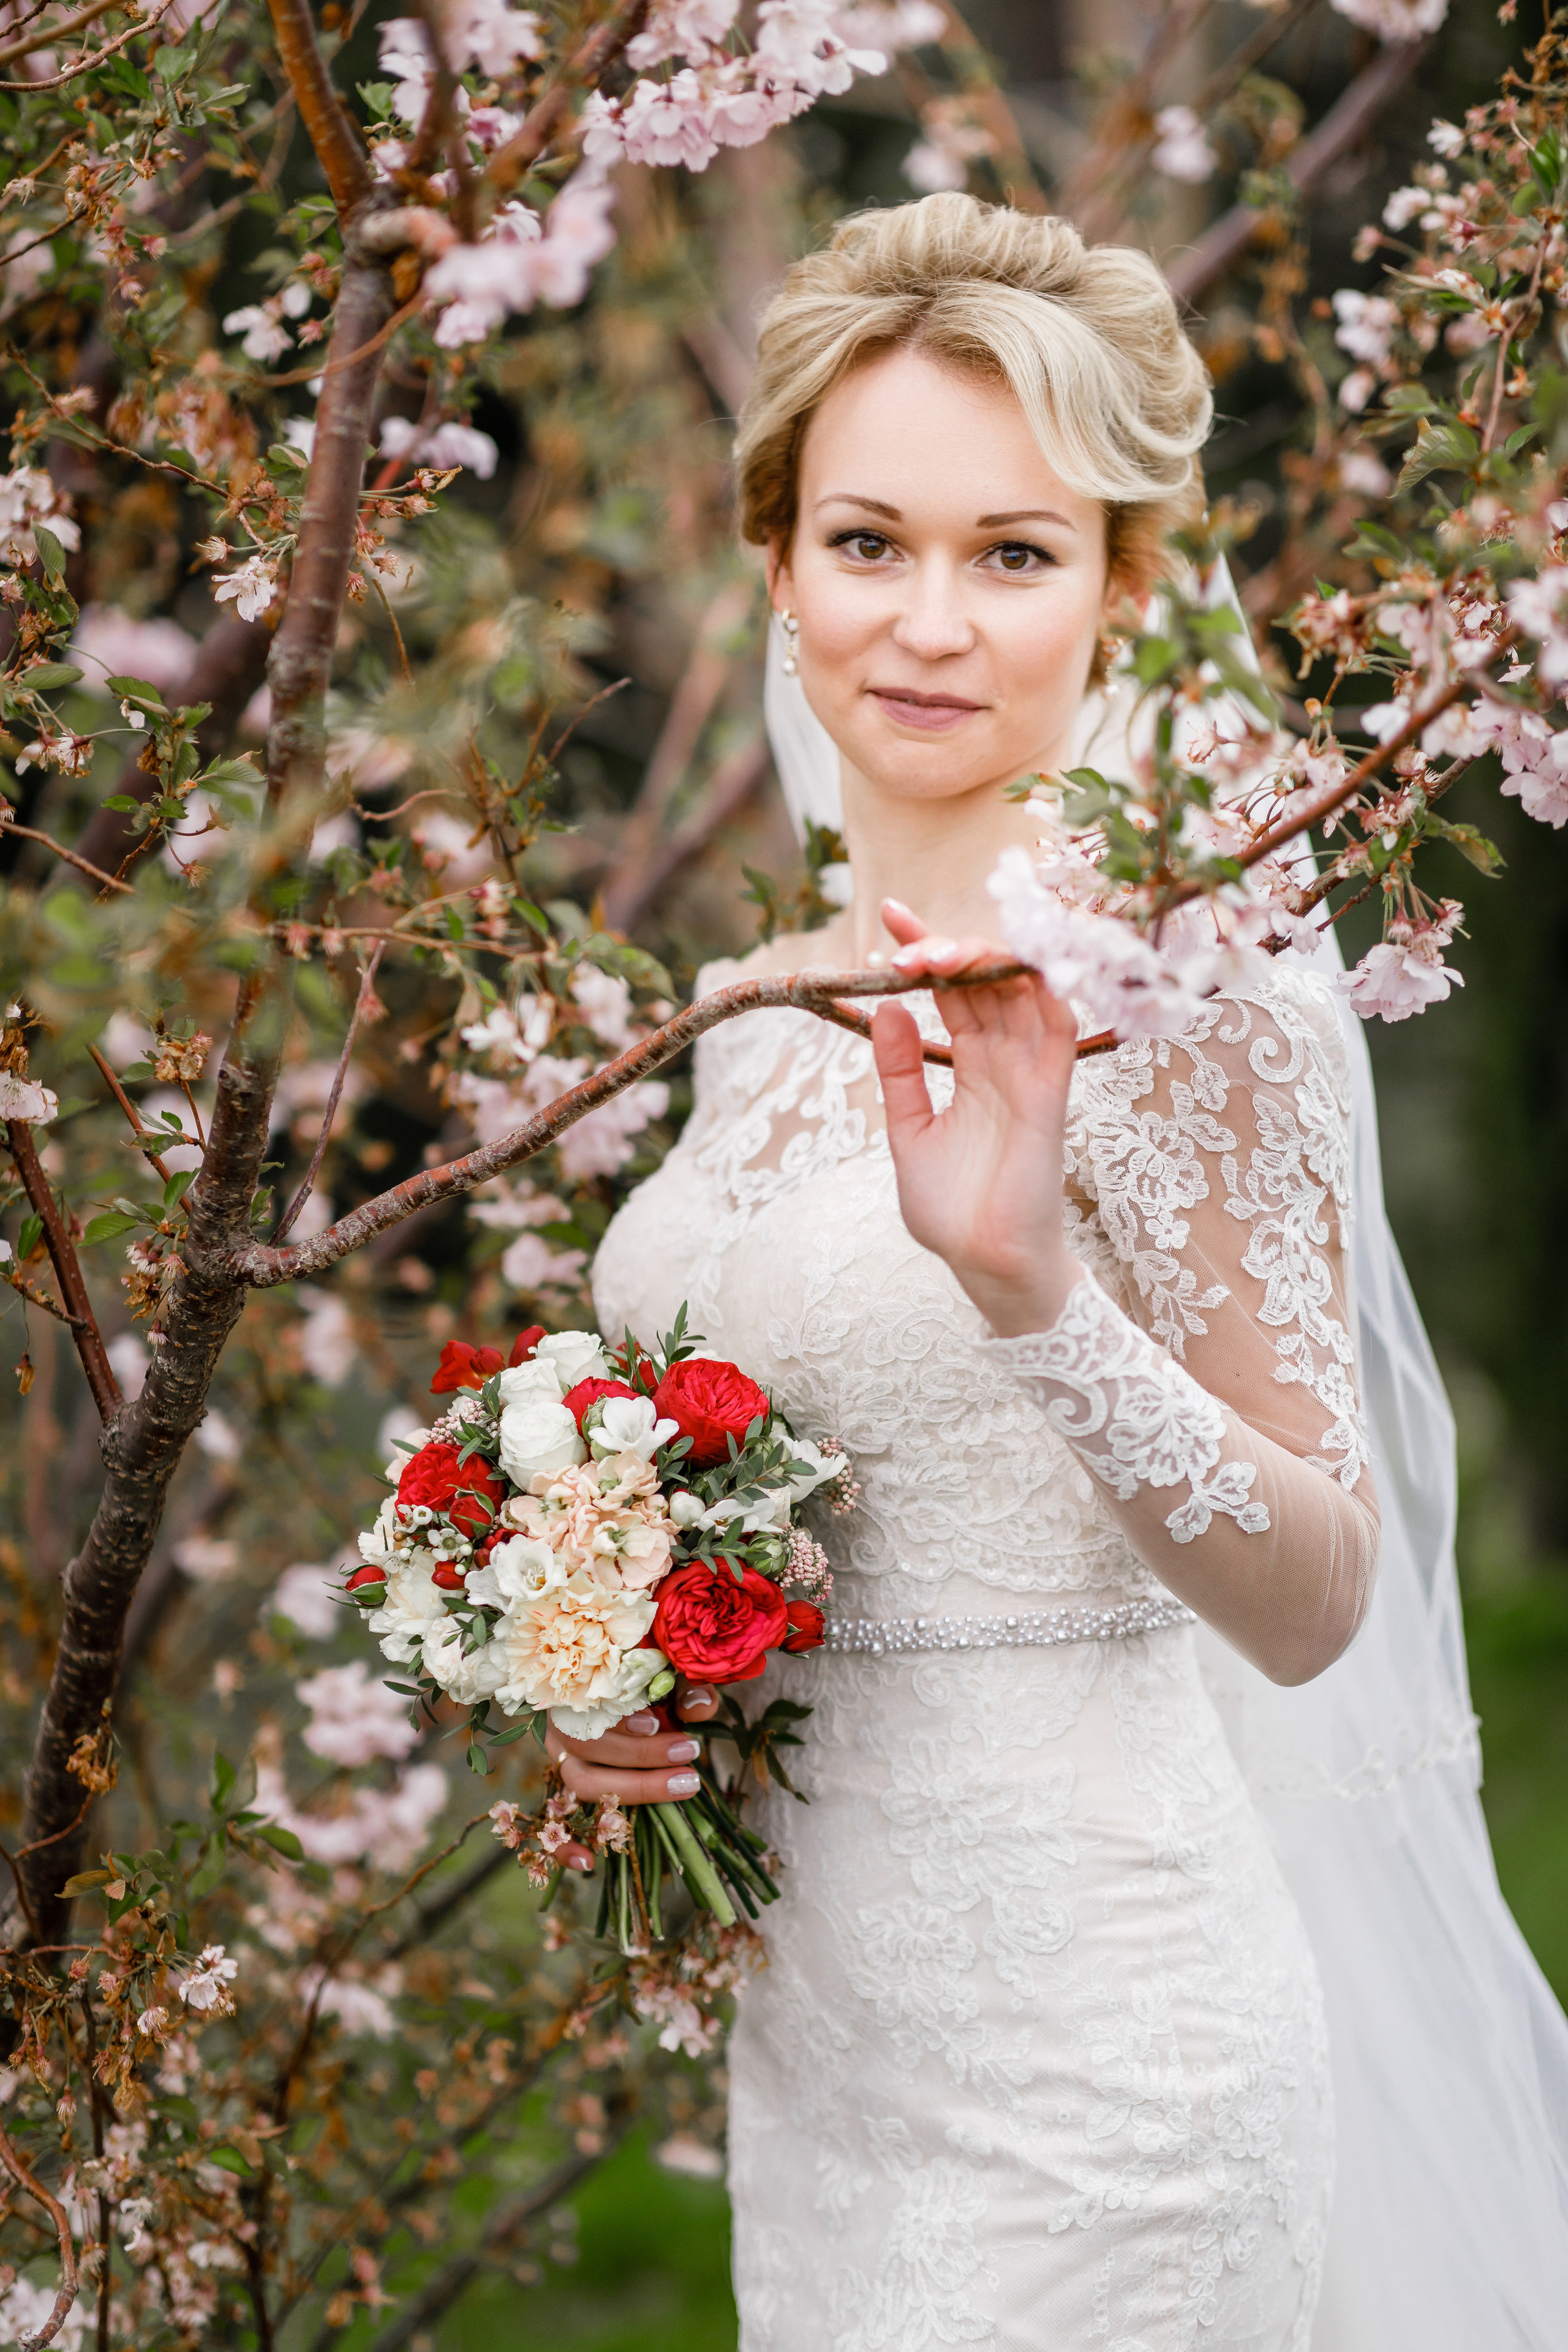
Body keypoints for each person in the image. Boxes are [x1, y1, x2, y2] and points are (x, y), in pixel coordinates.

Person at [548, 195, 1568, 2348]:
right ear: (778, 563)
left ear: (1122, 590)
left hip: (1109, 2084)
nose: (926, 622)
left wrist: (1034, 1290)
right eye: (869, 541)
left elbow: (1316, 1602)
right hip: (823, 2076)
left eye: (1014, 554)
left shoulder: (1188, 994)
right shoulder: (745, 1001)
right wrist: (605, 1682)